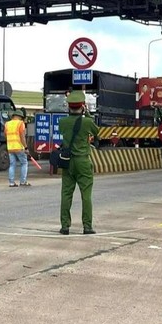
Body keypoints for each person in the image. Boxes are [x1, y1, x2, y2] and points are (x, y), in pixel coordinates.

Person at [58, 90, 99, 235]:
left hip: (67, 162)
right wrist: (86, 113)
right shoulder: (87, 122)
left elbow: (65, 129)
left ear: (68, 107)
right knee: (86, 195)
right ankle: (87, 227)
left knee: (66, 194)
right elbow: (96, 131)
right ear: (82, 106)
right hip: (83, 161)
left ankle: (65, 226)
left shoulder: (62, 122)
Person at [5, 109, 30, 187]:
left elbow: (5, 135)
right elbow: (22, 137)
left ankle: (11, 183)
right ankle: (23, 181)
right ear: (20, 117)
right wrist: (26, 148)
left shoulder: (7, 124)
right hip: (19, 147)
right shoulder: (20, 123)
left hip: (10, 148)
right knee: (24, 163)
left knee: (12, 165)